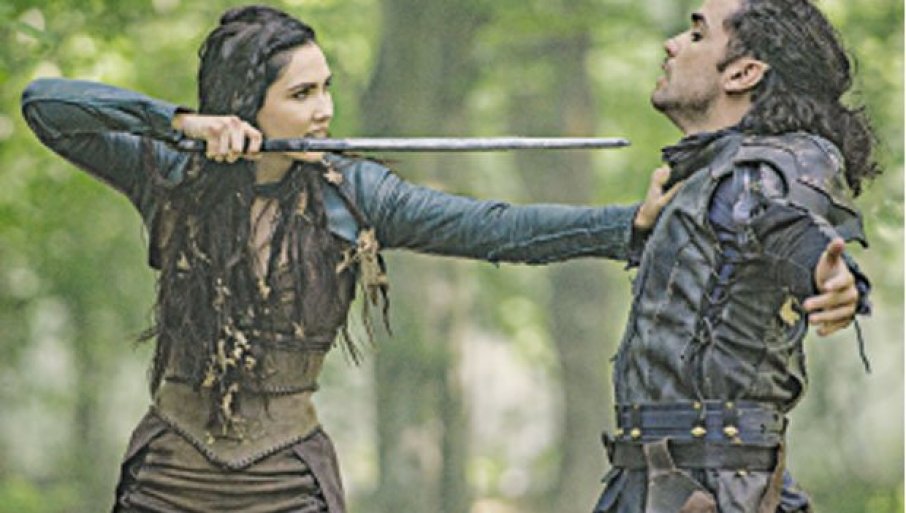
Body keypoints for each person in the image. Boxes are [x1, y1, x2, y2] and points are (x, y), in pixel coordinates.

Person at [20, 4, 860, 513]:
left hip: (285, 476)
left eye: (326, 88)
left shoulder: (353, 194)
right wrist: (178, 123)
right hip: (169, 467)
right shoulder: (170, 175)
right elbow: (46, 105)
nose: (324, 111)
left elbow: (493, 228)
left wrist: (626, 224)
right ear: (246, 104)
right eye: (302, 94)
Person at [593, 0, 877, 512]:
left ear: (743, 73)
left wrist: (831, 276)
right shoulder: (712, 176)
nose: (672, 44)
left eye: (697, 35)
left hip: (714, 491)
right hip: (662, 482)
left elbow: (786, 224)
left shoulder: (763, 168)